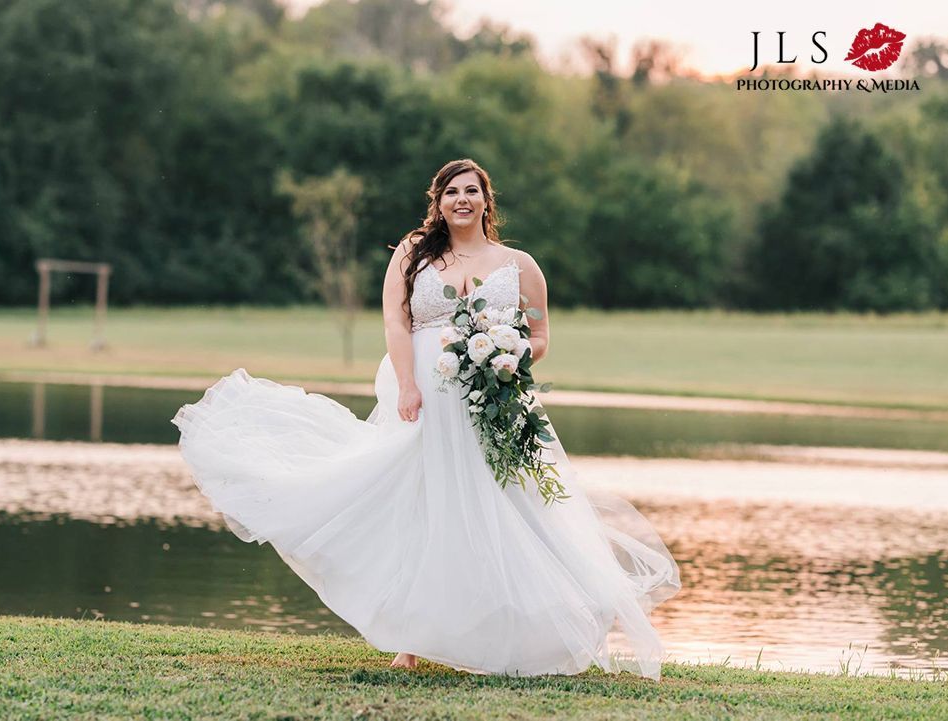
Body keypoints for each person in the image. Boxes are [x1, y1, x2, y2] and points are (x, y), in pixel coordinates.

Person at [171, 158, 681, 680]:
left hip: (493, 400)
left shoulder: (519, 264)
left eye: (472, 191)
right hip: (424, 395)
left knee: (506, 506)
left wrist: (508, 355)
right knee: (419, 502)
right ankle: (409, 640)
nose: (463, 200)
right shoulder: (414, 255)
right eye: (452, 192)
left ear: (487, 200)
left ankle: (522, 629)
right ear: (438, 202)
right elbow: (395, 319)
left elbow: (542, 335)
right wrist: (408, 384)